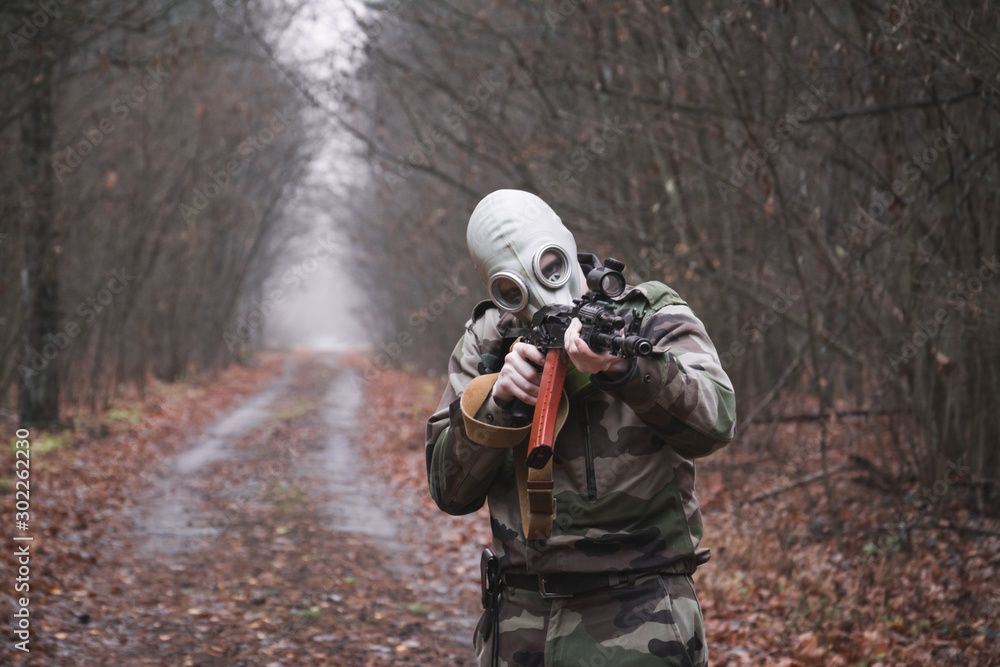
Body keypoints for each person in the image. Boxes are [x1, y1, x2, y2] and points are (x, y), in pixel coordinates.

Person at [425, 189, 736, 667]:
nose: (542, 290)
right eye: (513, 289)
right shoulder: (488, 341)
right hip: (520, 621)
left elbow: (716, 422)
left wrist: (629, 370)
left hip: (640, 618)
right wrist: (497, 403)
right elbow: (449, 492)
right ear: (497, 290)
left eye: (551, 265)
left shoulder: (648, 316)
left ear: (567, 246)